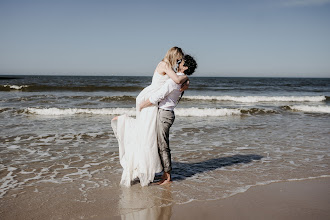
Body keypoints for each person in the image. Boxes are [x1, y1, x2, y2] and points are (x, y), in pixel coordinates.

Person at [111, 47, 189, 187]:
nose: (178, 62)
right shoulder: (164, 64)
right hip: (151, 99)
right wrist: (186, 78)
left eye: (180, 61)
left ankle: (143, 169)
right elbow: (177, 79)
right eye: (178, 59)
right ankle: (124, 121)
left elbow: (176, 81)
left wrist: (185, 81)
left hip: (154, 100)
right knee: (146, 134)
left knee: (147, 135)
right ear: (174, 55)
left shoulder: (167, 66)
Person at [139, 55, 198, 185]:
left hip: (164, 114)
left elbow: (158, 96)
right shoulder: (180, 80)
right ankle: (164, 173)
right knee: (161, 144)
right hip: (166, 114)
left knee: (163, 145)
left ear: (185, 67)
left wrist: (143, 104)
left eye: (180, 62)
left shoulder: (175, 81)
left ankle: (168, 176)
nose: (178, 63)